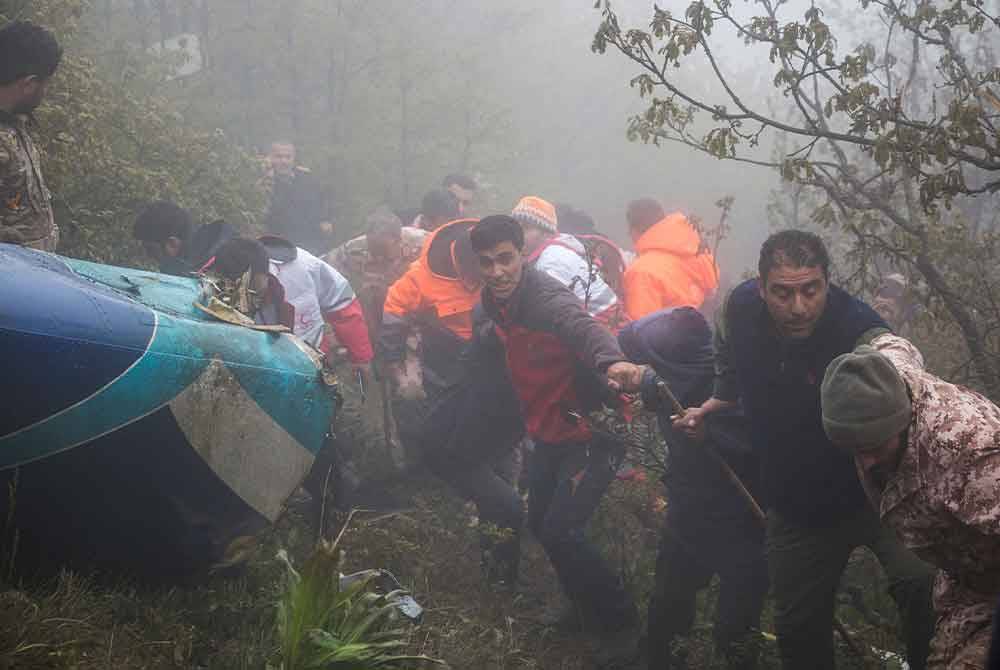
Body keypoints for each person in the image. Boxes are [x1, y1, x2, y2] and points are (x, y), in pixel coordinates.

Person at [675, 230, 934, 670]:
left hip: (881, 495)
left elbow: (899, 362)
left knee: (922, 586)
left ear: (827, 283)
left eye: (810, 290)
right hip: (796, 507)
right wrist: (722, 395)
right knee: (798, 633)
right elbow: (724, 346)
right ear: (761, 287)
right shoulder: (739, 309)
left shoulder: (858, 327)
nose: (798, 307)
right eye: (782, 293)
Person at [470, 214, 645, 666]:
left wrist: (611, 363)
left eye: (505, 260)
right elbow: (492, 339)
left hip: (594, 429)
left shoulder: (545, 297)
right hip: (550, 428)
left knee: (561, 529)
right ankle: (579, 602)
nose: (497, 272)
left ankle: (622, 626)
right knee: (541, 523)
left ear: (521, 255)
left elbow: (582, 328)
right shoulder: (491, 303)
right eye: (486, 263)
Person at [821, 334, 1000, 669]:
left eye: (875, 446)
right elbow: (892, 345)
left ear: (901, 421)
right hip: (966, 581)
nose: (868, 462)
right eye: (856, 450)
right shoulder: (885, 375)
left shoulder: (970, 453)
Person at [619, 307, 767, 669]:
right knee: (671, 596)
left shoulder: (731, 385)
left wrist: (710, 435)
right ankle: (659, 658)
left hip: (743, 516)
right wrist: (645, 378)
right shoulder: (668, 375)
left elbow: (760, 443)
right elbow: (627, 341)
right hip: (689, 507)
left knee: (736, 622)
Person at [378, 218, 482, 459]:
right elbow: (394, 308)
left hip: (483, 344)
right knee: (411, 394)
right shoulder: (422, 276)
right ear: (462, 263)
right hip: (433, 341)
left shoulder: (497, 257)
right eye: (475, 272)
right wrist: (393, 360)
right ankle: (420, 457)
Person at [213, 236, 372, 368]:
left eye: (257, 290)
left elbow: (342, 301)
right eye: (246, 293)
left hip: (314, 363)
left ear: (264, 271)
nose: (255, 299)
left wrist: (360, 357)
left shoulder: (302, 267)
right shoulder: (209, 286)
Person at [511, 195, 623, 328]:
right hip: (601, 322)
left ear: (546, 233)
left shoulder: (553, 259)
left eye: (526, 228)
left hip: (605, 328)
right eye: (515, 228)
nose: (517, 234)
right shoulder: (555, 250)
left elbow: (546, 311)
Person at [0, 21, 61, 251]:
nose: (45, 92)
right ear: (29, 84)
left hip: (35, 275)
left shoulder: (15, 122)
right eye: (45, 84)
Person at [622, 198, 718, 321]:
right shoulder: (698, 251)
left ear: (634, 230)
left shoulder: (642, 273)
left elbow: (641, 331)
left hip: (676, 339)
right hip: (707, 333)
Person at [326, 206, 428, 314]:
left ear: (399, 240)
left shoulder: (422, 243)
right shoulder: (353, 248)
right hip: (374, 306)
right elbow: (318, 268)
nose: (379, 258)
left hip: (414, 304)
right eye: (374, 252)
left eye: (383, 252)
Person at [260, 140, 334, 254]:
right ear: (270, 158)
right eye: (278, 157)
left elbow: (321, 200)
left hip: (309, 240)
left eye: (288, 157)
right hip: (277, 242)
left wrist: (325, 219)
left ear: (294, 159)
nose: (284, 161)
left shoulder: (307, 178)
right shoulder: (263, 181)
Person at [133, 201, 235, 276]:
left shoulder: (216, 276)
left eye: (150, 250)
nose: (149, 256)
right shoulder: (195, 261)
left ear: (172, 244)